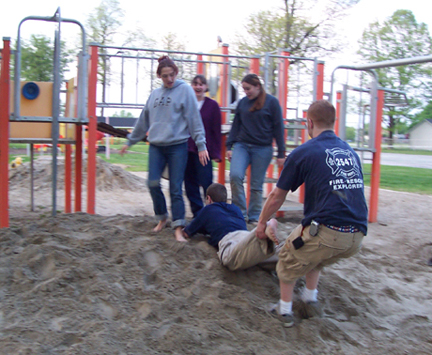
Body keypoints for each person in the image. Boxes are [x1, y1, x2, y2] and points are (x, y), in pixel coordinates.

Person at [255, 99, 368, 328]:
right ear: (333, 122)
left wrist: (261, 223)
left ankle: (284, 312)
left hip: (329, 230)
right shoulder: (350, 152)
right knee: (314, 254)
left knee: (287, 258)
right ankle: (310, 301)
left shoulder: (303, 152)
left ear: (309, 123)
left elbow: (277, 196)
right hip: (357, 234)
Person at [120, 56, 209, 242]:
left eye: (172, 75)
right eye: (165, 76)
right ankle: (161, 217)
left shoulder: (185, 90)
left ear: (176, 73)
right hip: (156, 146)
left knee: (175, 188)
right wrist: (130, 141)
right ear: (159, 76)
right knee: (152, 183)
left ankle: (178, 226)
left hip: (177, 146)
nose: (169, 79)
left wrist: (201, 145)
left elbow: (194, 119)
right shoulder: (154, 95)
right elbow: (143, 120)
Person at [226, 73, 286, 224]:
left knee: (256, 185)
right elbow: (236, 125)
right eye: (244, 89)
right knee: (235, 176)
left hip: (263, 148)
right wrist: (229, 145)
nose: (246, 92)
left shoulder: (271, 103)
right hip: (242, 145)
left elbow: (278, 127)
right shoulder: (243, 103)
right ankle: (240, 213)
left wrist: (281, 153)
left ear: (258, 87)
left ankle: (254, 217)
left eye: (248, 88)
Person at [183, 183, 284, 271]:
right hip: (245, 236)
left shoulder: (208, 209)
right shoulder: (235, 209)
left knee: (231, 260)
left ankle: (267, 227)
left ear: (208, 199)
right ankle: (278, 246)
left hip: (231, 241)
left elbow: (187, 232)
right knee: (267, 257)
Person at [185, 75, 222, 217]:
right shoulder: (186, 104)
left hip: (203, 152)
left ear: (206, 87)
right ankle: (198, 214)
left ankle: (211, 214)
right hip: (187, 150)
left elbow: (216, 131)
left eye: (201, 84)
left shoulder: (212, 106)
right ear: (191, 86)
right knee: (190, 184)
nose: (198, 87)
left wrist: (216, 153)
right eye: (195, 84)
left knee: (207, 183)